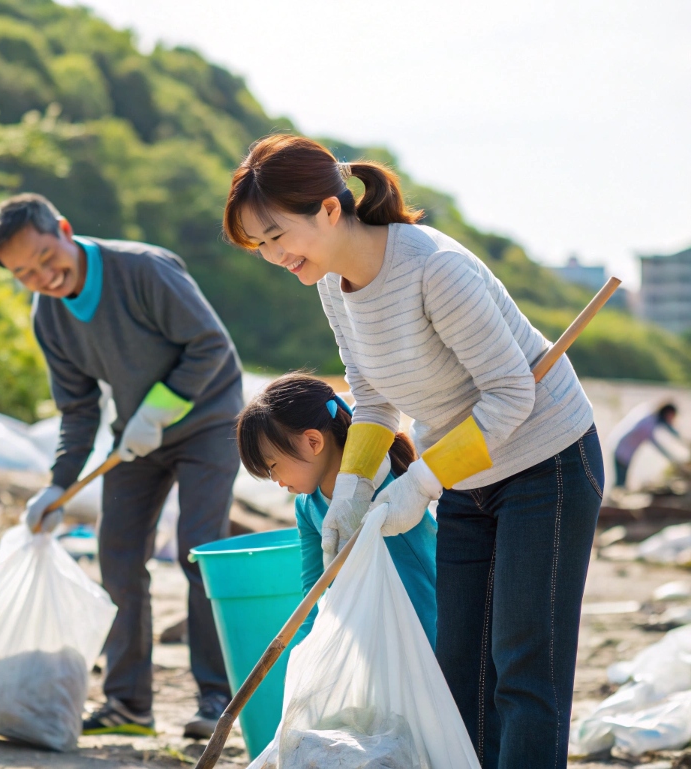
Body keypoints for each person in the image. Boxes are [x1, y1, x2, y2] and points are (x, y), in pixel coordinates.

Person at [223, 134, 604, 768]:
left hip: (547, 460)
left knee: (523, 660)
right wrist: (352, 489)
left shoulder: (433, 268)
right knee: (461, 666)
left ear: (327, 207)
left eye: (275, 234)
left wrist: (421, 483)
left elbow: (511, 395)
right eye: (258, 245)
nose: (272, 255)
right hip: (464, 470)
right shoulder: (332, 283)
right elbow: (371, 399)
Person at [0, 193, 244, 739]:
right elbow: (77, 409)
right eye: (24, 273)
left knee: (200, 552)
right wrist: (57, 486)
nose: (43, 276)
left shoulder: (143, 269)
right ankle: (129, 705)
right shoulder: (49, 316)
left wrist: (162, 409)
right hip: (136, 442)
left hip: (209, 422)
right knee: (117, 557)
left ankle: (217, 697)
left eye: (46, 258)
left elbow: (210, 344)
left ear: (66, 229)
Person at [236, 372, 436, 648]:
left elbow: (420, 575)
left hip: (427, 629)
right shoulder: (307, 507)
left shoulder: (391, 487)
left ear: (313, 442)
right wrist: (308, 649)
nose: (275, 481)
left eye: (272, 467)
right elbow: (313, 590)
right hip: (368, 640)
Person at [613, 403, 681, 488]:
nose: (671, 419)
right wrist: (672, 458)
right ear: (667, 413)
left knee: (621, 481)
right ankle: (613, 498)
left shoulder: (652, 418)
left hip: (624, 452)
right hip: (622, 453)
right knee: (620, 482)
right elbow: (657, 445)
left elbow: (669, 429)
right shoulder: (649, 423)